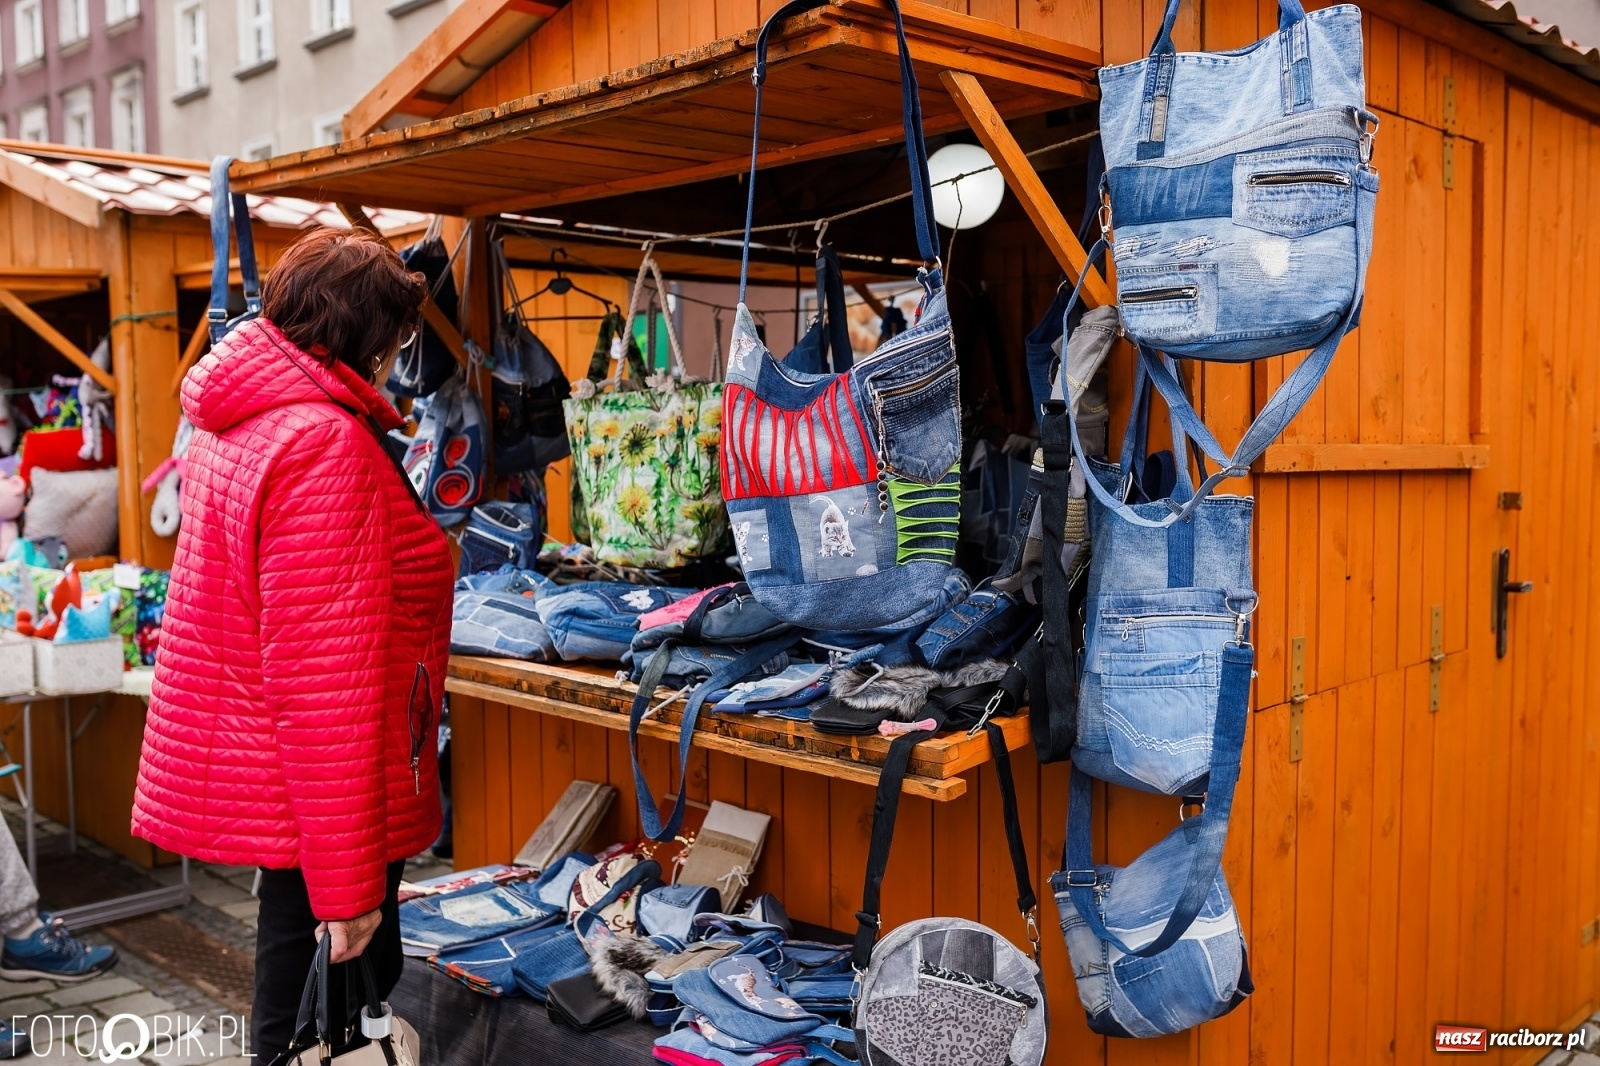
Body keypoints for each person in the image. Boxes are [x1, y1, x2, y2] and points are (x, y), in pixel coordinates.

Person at [129, 228, 454, 1065]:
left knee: (290, 965)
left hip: (277, 771)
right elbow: (326, 683)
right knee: (325, 1006)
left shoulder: (241, 420)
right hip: (327, 784)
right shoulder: (324, 442)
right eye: (394, 339)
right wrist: (349, 889)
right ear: (366, 337)